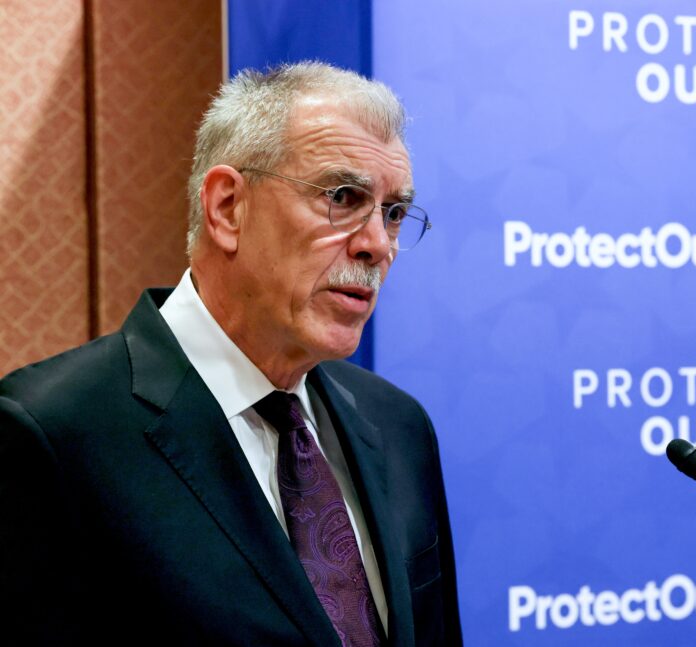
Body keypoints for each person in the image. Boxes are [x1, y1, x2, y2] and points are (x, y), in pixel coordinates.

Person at [0, 62, 461, 646]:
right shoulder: (51, 435)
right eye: (343, 197)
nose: (376, 245)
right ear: (226, 207)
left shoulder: (398, 427)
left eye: (393, 213)